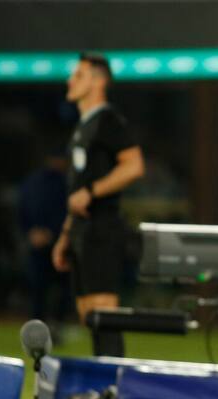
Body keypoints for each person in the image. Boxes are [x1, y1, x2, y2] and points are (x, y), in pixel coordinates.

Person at [51, 52, 145, 357]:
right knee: (88, 316)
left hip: (103, 229)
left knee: (104, 316)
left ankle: (113, 394)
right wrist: (66, 235)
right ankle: (99, 393)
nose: (70, 80)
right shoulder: (82, 126)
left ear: (97, 81)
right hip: (81, 230)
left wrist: (92, 192)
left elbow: (133, 165)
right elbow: (76, 191)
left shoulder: (108, 120)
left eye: (77, 75)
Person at [18, 149, 71, 323]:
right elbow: (22, 210)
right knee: (40, 290)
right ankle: (41, 327)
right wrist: (33, 232)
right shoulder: (56, 183)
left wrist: (39, 232)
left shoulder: (63, 183)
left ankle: (53, 324)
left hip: (54, 242)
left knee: (60, 290)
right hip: (46, 244)